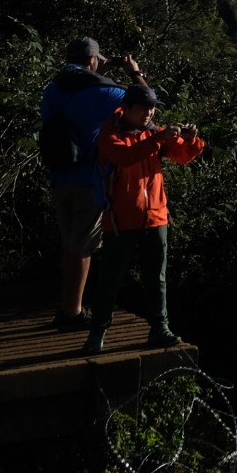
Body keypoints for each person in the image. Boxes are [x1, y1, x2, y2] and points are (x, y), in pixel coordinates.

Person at [83, 84, 204, 354]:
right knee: (110, 279)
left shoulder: (153, 133)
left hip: (156, 217)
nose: (148, 114)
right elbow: (125, 157)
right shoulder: (110, 134)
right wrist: (159, 138)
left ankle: (160, 328)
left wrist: (191, 139)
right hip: (120, 220)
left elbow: (183, 155)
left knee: (156, 277)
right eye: (142, 109)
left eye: (151, 109)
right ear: (125, 109)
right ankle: (97, 333)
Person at [39, 37, 145, 328]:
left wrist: (97, 66)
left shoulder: (52, 89)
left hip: (60, 175)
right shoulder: (105, 93)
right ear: (91, 61)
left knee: (71, 242)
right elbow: (144, 108)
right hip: (89, 178)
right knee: (82, 246)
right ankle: (72, 312)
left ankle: (68, 307)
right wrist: (134, 72)